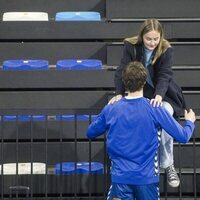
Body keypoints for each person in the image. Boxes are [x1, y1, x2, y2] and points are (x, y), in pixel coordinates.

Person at [87, 61, 196, 200]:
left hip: (121, 179)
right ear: (145, 82)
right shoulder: (155, 109)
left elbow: (90, 132)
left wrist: (105, 114)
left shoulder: (112, 108)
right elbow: (183, 136)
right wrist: (189, 122)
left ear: (124, 82)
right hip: (147, 180)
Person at [109, 18, 186, 187]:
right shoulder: (131, 46)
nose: (152, 42)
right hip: (139, 92)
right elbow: (122, 70)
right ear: (142, 36)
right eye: (148, 39)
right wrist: (119, 93)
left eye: (155, 39)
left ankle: (168, 164)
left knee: (165, 112)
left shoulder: (166, 49)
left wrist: (159, 95)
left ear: (161, 37)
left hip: (163, 94)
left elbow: (165, 75)